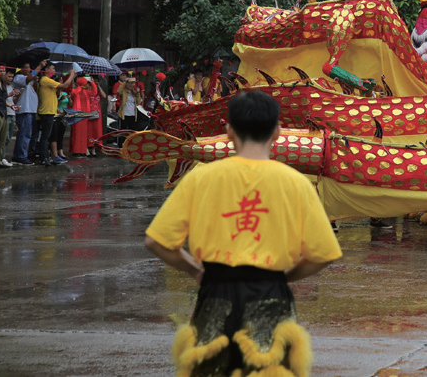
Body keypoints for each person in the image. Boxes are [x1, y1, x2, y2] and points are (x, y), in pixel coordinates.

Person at [145, 89, 342, 377]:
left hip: (216, 290)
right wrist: (284, 277)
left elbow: (157, 241)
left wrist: (195, 272)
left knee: (211, 370)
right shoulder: (296, 183)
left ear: (228, 131)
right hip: (270, 292)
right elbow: (323, 254)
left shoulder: (201, 177)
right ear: (277, 132)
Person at [34, 62, 75, 165]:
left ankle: (47, 156)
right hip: (46, 111)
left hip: (51, 111)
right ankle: (44, 158)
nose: (54, 71)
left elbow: (58, 92)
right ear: (47, 69)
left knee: (48, 136)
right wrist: (72, 75)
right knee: (45, 136)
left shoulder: (49, 81)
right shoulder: (45, 80)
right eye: (52, 68)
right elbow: (65, 85)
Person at [11, 62, 41, 165]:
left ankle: (22, 154)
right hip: (24, 110)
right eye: (27, 68)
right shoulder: (18, 77)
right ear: (21, 69)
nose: (29, 70)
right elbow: (28, 79)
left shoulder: (30, 80)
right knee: (24, 134)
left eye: (30, 68)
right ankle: (20, 156)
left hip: (30, 110)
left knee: (27, 134)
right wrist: (40, 66)